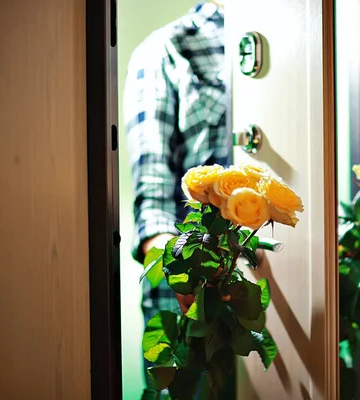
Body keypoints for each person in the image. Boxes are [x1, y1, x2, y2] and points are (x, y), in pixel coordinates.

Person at [123, 2, 230, 399]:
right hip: (185, 294)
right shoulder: (167, 50)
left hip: (260, 291)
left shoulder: (295, 51)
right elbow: (152, 204)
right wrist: (182, 272)